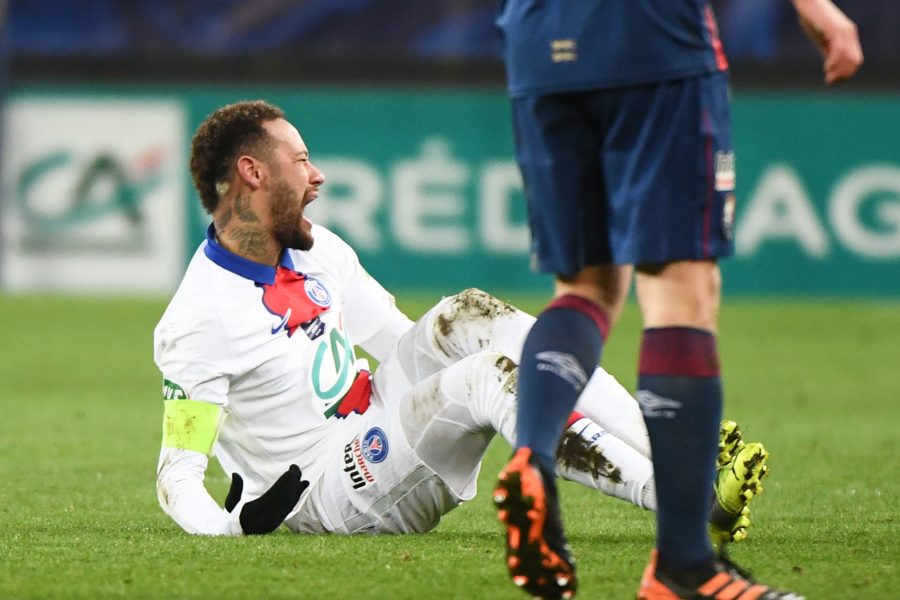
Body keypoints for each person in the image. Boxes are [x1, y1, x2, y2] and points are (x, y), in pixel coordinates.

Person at [154, 101, 768, 551]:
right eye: (302, 160)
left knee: (470, 313)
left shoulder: (318, 251)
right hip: (326, 490)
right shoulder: (198, 319)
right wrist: (232, 528)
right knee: (483, 379)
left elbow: (400, 340)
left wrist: (445, 381)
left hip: (374, 423)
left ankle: (667, 444)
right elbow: (177, 479)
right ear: (253, 174)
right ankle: (684, 501)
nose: (317, 177)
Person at [492, 0, 862, 598]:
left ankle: (532, 456)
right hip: (651, 37)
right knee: (680, 287)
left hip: (538, 42)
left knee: (585, 286)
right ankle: (683, 567)